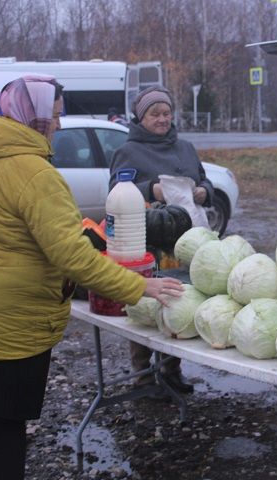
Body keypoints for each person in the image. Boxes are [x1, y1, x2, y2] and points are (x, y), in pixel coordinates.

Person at [0, 75, 183, 480]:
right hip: (8, 316)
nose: (59, 124)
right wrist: (141, 286)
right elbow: (73, 258)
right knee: (7, 422)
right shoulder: (35, 174)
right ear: (32, 119)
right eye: (52, 116)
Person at [109, 86, 213, 394]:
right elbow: (115, 189)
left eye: (166, 113)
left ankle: (171, 369)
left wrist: (204, 191)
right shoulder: (127, 151)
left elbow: (203, 177)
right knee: (144, 303)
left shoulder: (185, 148)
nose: (162, 119)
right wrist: (148, 190)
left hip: (186, 240)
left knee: (177, 299)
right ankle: (142, 375)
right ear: (141, 118)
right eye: (155, 114)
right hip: (147, 241)